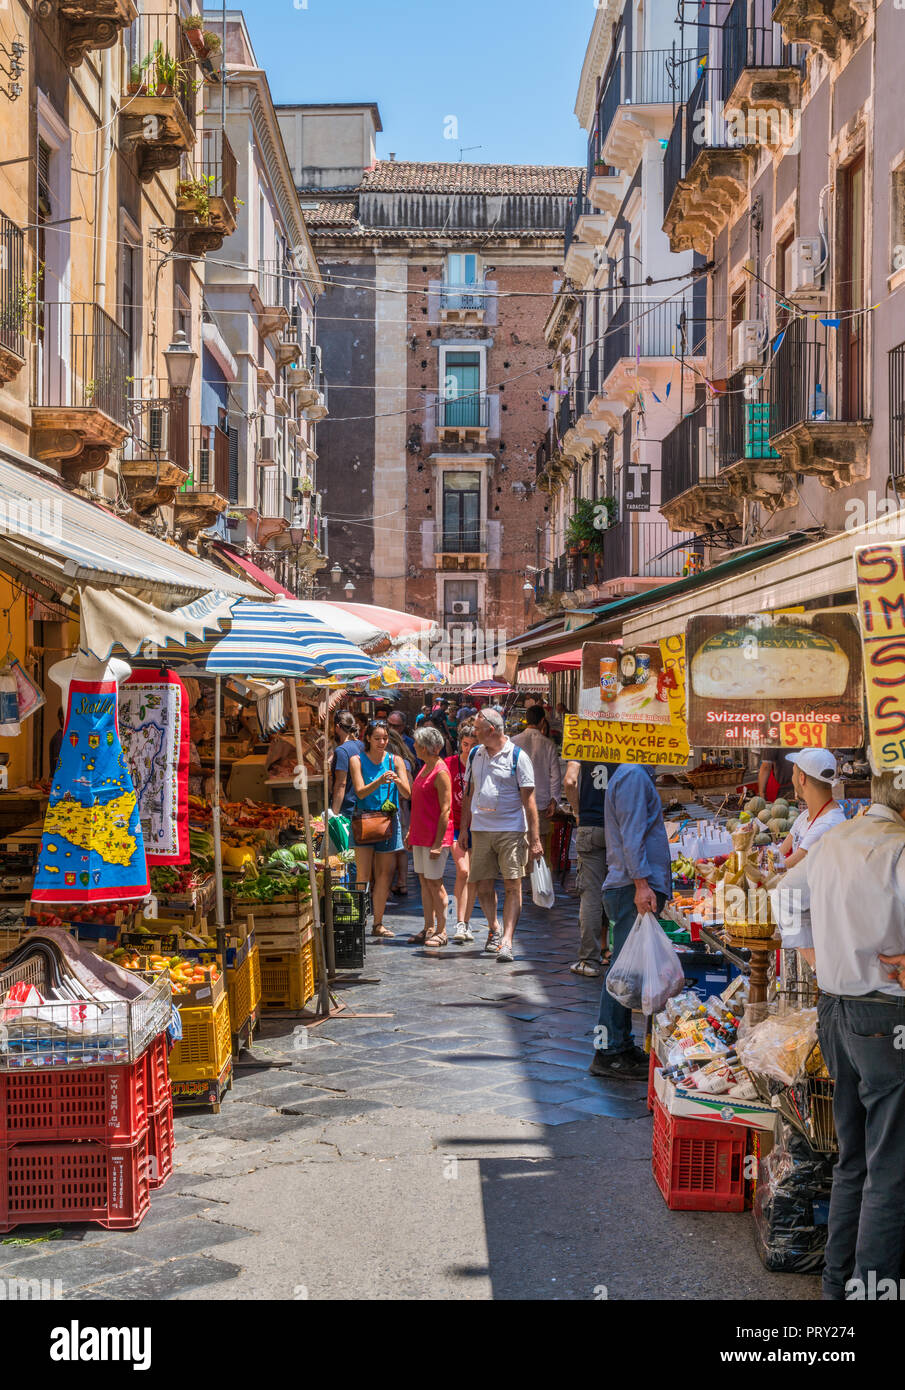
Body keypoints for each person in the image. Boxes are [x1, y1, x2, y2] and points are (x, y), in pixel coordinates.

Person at [777, 771, 905, 1301]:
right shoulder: (898, 848)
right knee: (890, 1167)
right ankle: (873, 1291)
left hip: (835, 1011)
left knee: (852, 1158)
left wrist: (812, 952)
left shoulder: (834, 841)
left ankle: (838, 1287)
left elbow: (785, 896)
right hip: (886, 1020)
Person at [588, 763, 672, 1079]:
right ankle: (608, 1051)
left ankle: (620, 1045)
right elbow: (631, 834)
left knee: (628, 970)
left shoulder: (636, 775)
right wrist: (641, 884)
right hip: (629, 888)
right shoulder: (634, 776)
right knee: (622, 972)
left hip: (631, 886)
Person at [460, 707, 543, 965]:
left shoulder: (518, 756)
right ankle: (494, 927)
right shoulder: (476, 754)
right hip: (481, 829)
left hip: (510, 829)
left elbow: (529, 801)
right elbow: (469, 793)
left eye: (477, 728)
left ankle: (506, 940)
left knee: (512, 885)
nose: (474, 732)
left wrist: (536, 839)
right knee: (483, 886)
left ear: (492, 730)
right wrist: (464, 828)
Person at [349, 721, 412, 939]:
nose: (382, 742)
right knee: (363, 875)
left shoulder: (396, 761)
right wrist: (379, 781)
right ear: (368, 738)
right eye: (377, 738)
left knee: (385, 875)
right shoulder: (356, 760)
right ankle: (358, 922)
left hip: (388, 821)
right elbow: (360, 792)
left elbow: (407, 793)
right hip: (365, 820)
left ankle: (378, 923)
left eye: (385, 738)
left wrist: (396, 780)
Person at [563, 757, 617, 977]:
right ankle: (620, 954)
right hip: (619, 827)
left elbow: (569, 781)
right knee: (622, 890)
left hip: (591, 825)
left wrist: (577, 812)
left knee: (591, 895)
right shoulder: (625, 740)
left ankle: (589, 960)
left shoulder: (583, 739)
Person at [406, 726, 454, 948]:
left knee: (435, 883)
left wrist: (438, 843)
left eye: (416, 743)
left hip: (435, 838)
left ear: (424, 747)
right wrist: (411, 832)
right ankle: (429, 927)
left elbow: (446, 810)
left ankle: (443, 930)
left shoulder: (441, 771)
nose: (413, 745)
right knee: (425, 882)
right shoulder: (425, 767)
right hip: (421, 834)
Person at [776, 748, 845, 871]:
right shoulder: (806, 815)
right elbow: (780, 852)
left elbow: (783, 867)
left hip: (808, 890)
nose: (792, 779)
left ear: (802, 778)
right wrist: (766, 858)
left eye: (793, 773)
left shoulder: (827, 825)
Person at [446, 719, 478, 943]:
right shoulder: (448, 764)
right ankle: (459, 922)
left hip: (478, 826)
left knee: (474, 876)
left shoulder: (482, 765)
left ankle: (466, 923)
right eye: (465, 744)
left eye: (472, 745)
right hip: (456, 825)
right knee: (463, 871)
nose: (468, 750)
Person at [512, 705, 562, 842]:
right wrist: (554, 800)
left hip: (517, 802)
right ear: (542, 721)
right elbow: (555, 776)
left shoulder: (513, 742)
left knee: (519, 845)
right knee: (539, 845)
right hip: (541, 802)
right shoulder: (548, 744)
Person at [330, 711, 364, 817]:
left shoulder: (341, 751)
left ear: (337, 727)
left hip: (347, 810)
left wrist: (334, 814)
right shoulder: (362, 745)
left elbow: (341, 784)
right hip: (362, 805)